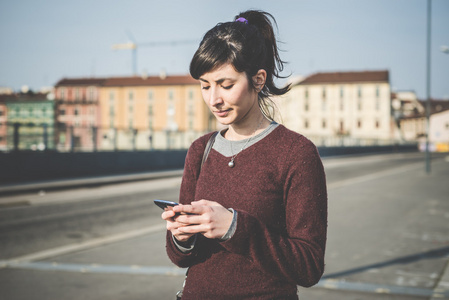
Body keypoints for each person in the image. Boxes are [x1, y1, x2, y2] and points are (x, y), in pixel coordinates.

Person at [161, 10, 327, 300]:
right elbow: (180, 258)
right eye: (205, 85)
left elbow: (309, 266)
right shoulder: (200, 150)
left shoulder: (296, 153)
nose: (214, 99)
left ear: (259, 79)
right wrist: (181, 236)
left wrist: (235, 227)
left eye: (226, 85)